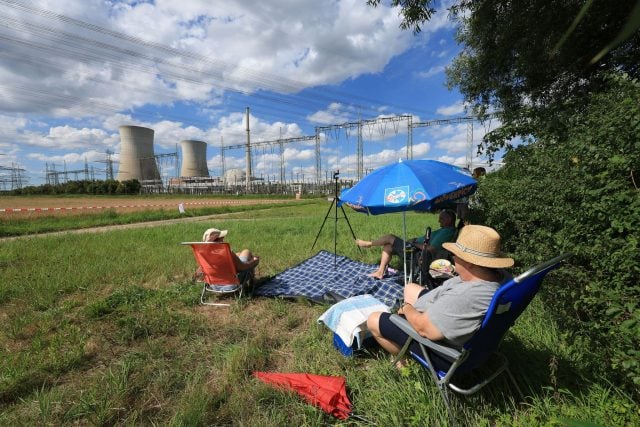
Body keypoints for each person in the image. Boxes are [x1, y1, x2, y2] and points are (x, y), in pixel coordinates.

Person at [366, 225, 514, 368]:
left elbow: (424, 329)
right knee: (410, 288)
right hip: (456, 322)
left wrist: (406, 308)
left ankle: (404, 359)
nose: (453, 258)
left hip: (445, 352)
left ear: (469, 263)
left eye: (455, 254)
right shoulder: (503, 278)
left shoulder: (465, 296)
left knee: (373, 320)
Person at [355, 209, 457, 279]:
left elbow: (430, 249)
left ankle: (369, 243)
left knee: (390, 237)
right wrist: (415, 240)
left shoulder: (447, 232)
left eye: (442, 218)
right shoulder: (444, 230)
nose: (439, 220)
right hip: (416, 247)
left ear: (449, 220)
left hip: (418, 253)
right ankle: (380, 272)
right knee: (388, 246)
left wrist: (415, 243)